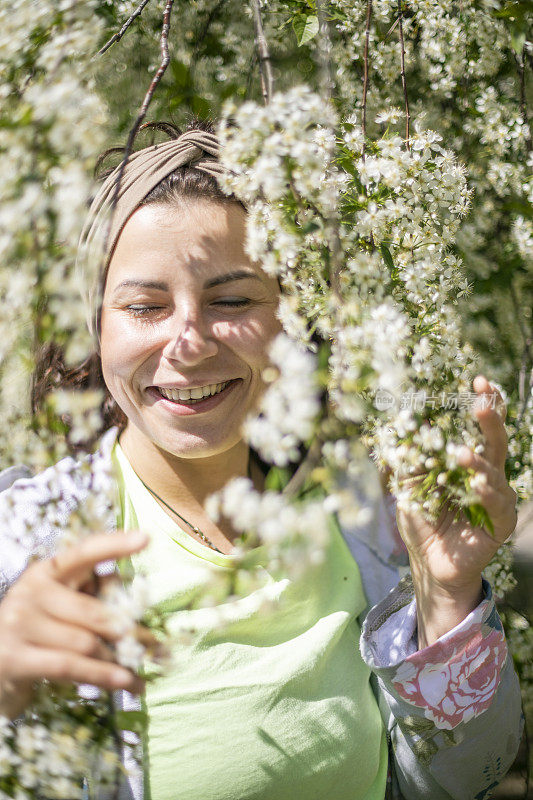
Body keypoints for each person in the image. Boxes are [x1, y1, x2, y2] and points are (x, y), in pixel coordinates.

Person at [0, 119, 523, 800]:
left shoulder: (370, 520)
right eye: (144, 306)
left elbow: (464, 780)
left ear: (293, 320)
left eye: (231, 301)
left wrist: (447, 598)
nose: (187, 343)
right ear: (93, 328)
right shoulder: (23, 546)